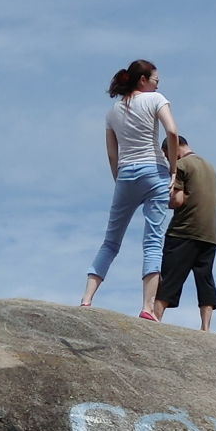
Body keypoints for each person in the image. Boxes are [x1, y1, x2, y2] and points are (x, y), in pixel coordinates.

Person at [81, 60, 180, 320]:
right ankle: (147, 308)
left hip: (126, 173)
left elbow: (112, 155)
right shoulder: (156, 99)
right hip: (155, 171)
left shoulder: (112, 111)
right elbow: (171, 131)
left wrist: (120, 180)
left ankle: (87, 298)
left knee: (111, 241)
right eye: (155, 78)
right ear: (143, 80)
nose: (158, 83)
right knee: (153, 241)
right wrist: (173, 169)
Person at [154, 134, 216, 328]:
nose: (168, 160)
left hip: (183, 230)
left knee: (169, 277)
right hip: (209, 234)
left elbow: (178, 200)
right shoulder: (210, 168)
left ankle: (155, 320)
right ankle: (205, 327)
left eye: (167, 155)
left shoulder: (181, 166)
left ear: (173, 149)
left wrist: (158, 200)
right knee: (204, 278)